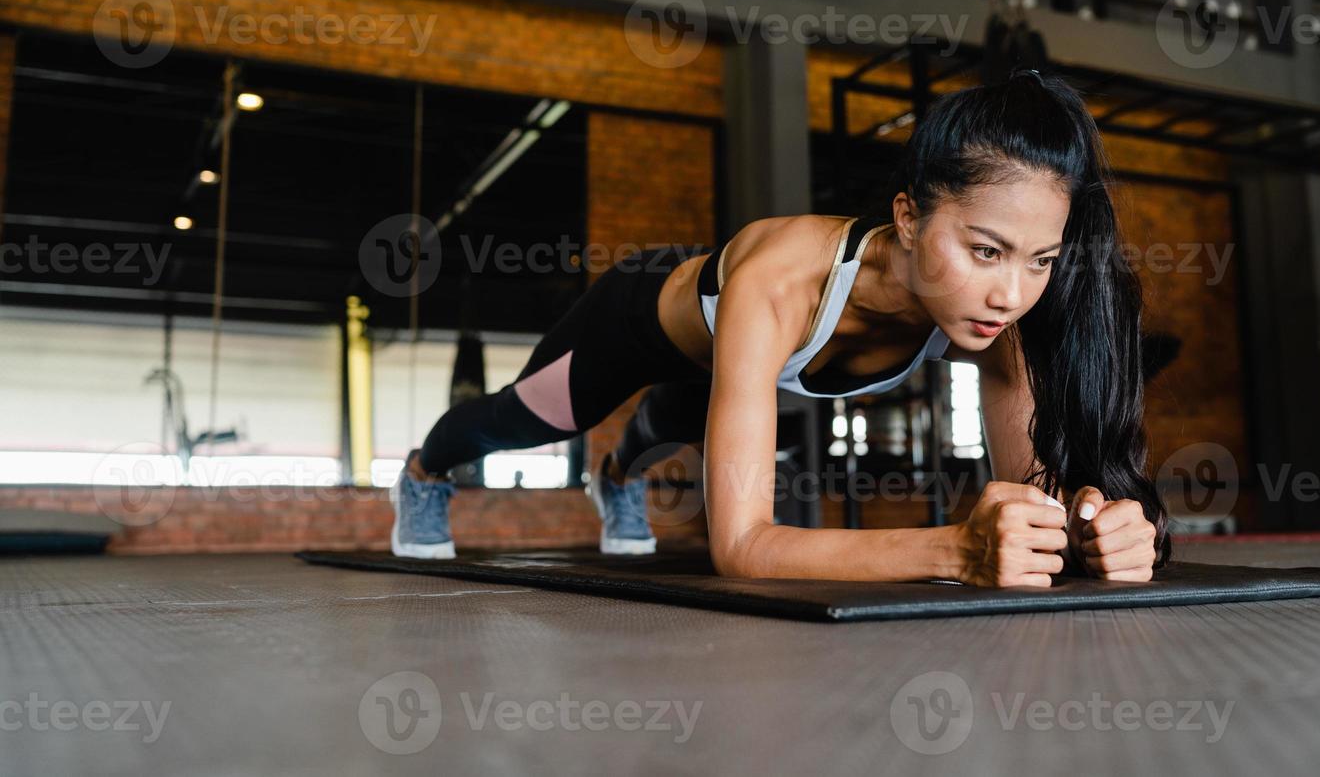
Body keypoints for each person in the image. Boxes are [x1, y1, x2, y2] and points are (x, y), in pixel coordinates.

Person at [390, 69, 1169, 586]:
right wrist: (951, 547)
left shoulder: (997, 321)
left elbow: (1030, 493)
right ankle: (424, 472)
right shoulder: (780, 281)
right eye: (984, 250)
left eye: (1040, 261)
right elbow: (742, 549)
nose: (1010, 293)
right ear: (906, 216)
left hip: (733, 371)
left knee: (676, 417)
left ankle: (620, 478)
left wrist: (1094, 526)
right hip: (635, 317)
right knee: (528, 419)